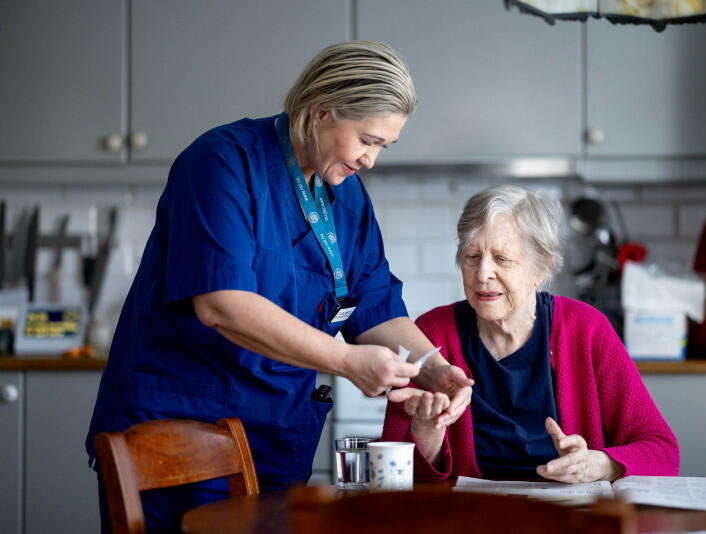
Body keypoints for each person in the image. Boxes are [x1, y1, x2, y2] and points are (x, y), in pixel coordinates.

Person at [86, 40, 472, 532]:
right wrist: (349, 363)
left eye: (383, 146)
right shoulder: (222, 163)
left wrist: (435, 369)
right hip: (181, 430)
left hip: (273, 434)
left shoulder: (346, 196)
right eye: (368, 140)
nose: (372, 160)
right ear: (321, 110)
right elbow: (222, 306)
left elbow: (376, 309)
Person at [383, 185, 679, 483]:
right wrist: (425, 432)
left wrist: (600, 464)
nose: (483, 273)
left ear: (541, 269)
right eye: (472, 257)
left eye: (502, 259)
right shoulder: (430, 335)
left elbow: (663, 452)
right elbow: (395, 478)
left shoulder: (586, 329)